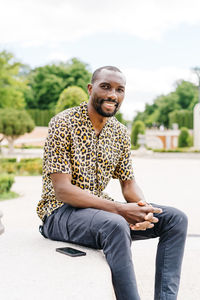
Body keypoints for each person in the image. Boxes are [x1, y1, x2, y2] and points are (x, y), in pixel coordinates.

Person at [37, 66, 188, 300]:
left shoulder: (119, 132)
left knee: (176, 219)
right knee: (116, 224)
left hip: (99, 212)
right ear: (90, 88)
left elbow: (128, 185)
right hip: (59, 213)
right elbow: (62, 190)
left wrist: (142, 210)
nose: (113, 95)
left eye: (120, 90)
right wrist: (120, 210)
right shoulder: (63, 123)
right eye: (105, 87)